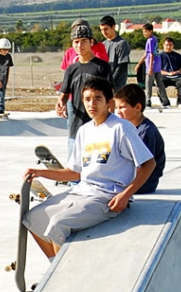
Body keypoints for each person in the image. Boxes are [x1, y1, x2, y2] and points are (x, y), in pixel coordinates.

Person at [23, 76, 155, 258]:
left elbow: (148, 163)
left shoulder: (120, 128)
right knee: (32, 218)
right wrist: (40, 172)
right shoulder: (84, 130)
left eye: (97, 99)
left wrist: (126, 194)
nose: (91, 104)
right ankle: (55, 270)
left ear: (109, 103)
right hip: (81, 192)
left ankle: (66, 279)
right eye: (87, 99)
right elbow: (74, 173)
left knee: (58, 223)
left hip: (106, 197)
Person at [57, 28, 108, 158]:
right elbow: (65, 92)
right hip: (77, 122)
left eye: (84, 41)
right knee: (74, 159)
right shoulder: (71, 69)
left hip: (98, 122)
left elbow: (110, 95)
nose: (80, 46)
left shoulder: (102, 67)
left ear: (91, 42)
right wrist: (60, 103)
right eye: (76, 42)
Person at [114, 84, 165, 192]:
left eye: (122, 107)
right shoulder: (128, 128)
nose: (118, 111)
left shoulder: (146, 131)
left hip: (144, 182)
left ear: (137, 107)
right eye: (117, 108)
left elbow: (143, 166)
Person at [142, 23, 171, 111]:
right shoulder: (154, 38)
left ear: (150, 31)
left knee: (148, 84)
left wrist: (150, 67)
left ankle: (147, 101)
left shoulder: (150, 40)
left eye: (146, 31)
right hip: (157, 65)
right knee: (159, 83)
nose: (144, 33)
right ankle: (165, 101)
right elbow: (147, 53)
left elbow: (151, 54)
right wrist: (140, 63)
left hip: (152, 65)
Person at [102, 15, 131, 92]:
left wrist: (111, 82)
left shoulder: (122, 44)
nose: (104, 32)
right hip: (105, 84)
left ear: (113, 27)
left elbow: (121, 66)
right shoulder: (103, 45)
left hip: (118, 86)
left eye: (106, 29)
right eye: (101, 30)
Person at [159, 37, 181, 107]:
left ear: (173, 46)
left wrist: (177, 72)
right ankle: (165, 102)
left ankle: (180, 102)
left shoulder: (177, 56)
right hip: (164, 76)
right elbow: (158, 70)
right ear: (163, 45)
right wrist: (168, 73)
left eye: (170, 45)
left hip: (176, 76)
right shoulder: (159, 56)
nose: (168, 47)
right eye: (167, 45)